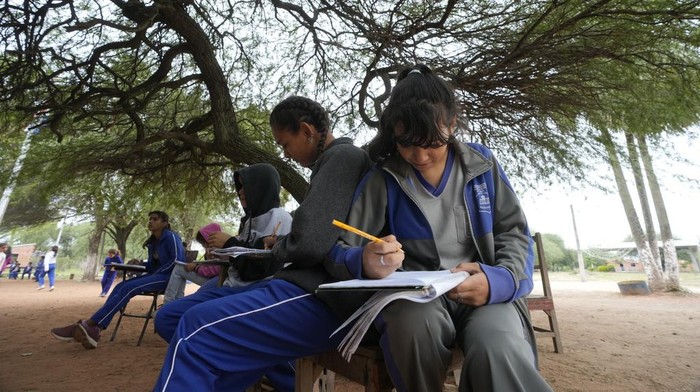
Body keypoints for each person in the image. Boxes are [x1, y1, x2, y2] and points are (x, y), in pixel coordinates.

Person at [322, 64, 552, 391]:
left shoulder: (481, 166)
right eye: (406, 143)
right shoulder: (382, 178)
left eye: (431, 142)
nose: (420, 156)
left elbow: (514, 233)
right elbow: (338, 249)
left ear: (452, 124)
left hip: (483, 289)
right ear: (394, 133)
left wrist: (499, 281)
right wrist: (364, 259)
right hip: (416, 299)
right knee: (411, 329)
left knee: (497, 346)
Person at [152, 96, 371, 391]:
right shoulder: (332, 163)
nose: (286, 153)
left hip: (317, 291)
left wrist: (276, 246)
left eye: (284, 144)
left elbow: (310, 243)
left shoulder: (342, 157)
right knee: (184, 320)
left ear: (307, 131)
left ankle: (282, 376)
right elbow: (312, 235)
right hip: (299, 284)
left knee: (195, 329)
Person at [50, 210, 185, 349]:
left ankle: (90, 324)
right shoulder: (153, 242)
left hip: (170, 278)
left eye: (155, 219)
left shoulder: (171, 237)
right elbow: (152, 266)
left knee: (128, 288)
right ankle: (96, 329)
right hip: (156, 276)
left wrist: (155, 273)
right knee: (120, 286)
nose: (150, 221)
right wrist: (139, 264)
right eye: (150, 219)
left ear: (165, 223)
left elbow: (177, 261)